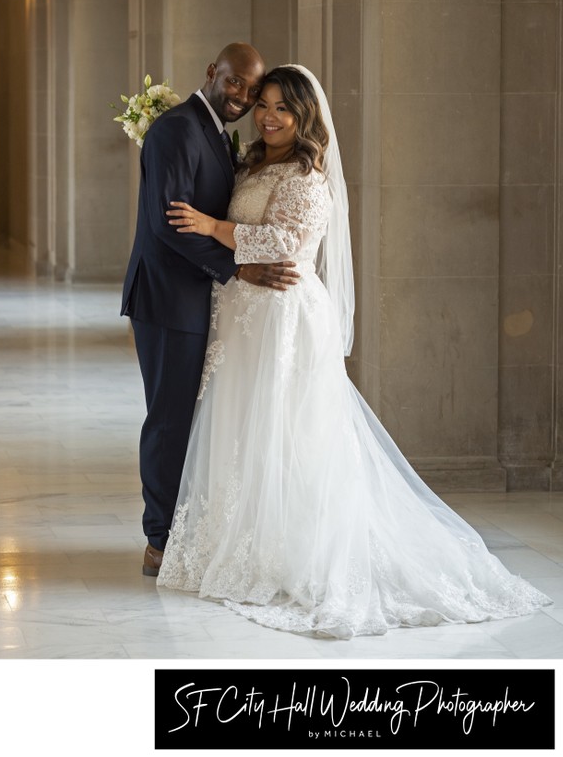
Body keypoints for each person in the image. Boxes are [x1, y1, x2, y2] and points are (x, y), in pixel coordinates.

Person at [156, 64, 551, 638]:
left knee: (289, 429)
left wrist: (215, 229)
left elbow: (289, 243)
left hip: (284, 313)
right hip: (244, 312)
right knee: (243, 424)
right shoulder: (256, 161)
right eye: (263, 105)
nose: (267, 117)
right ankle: (239, 541)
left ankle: (294, 550)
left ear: (304, 117)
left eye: (282, 109)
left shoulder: (308, 174)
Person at [121, 44, 300, 578]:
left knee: (192, 420)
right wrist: (240, 269)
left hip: (196, 298)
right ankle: (159, 542)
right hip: (168, 299)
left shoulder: (220, 134)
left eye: (252, 91)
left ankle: (186, 532)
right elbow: (169, 224)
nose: (242, 98)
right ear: (212, 73)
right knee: (170, 420)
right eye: (235, 84)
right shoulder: (176, 129)